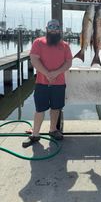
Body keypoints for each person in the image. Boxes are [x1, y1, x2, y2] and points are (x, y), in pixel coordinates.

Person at [22, 19, 73, 148]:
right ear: (47, 28)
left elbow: (68, 63)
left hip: (59, 83)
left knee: (56, 108)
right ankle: (35, 134)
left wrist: (55, 73)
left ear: (59, 30)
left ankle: (52, 130)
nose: (53, 29)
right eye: (51, 27)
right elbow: (34, 60)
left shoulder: (65, 45)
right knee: (39, 109)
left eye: (56, 27)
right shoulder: (38, 42)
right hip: (42, 83)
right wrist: (46, 73)